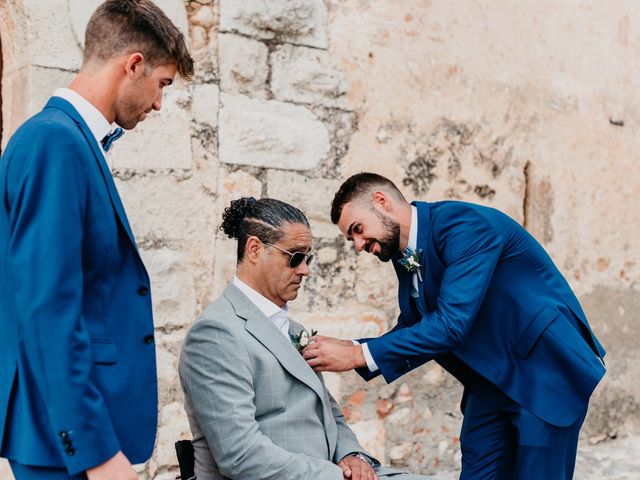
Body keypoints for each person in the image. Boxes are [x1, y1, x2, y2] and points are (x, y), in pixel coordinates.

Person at [303, 172, 606, 479]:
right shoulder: (403, 254)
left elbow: (450, 325)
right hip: (490, 380)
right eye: (350, 238)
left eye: (357, 229)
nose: (357, 245)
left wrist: (359, 355)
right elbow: (417, 324)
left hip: (544, 370)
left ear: (381, 202)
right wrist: (351, 348)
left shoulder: (464, 225)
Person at [0, 1, 193, 479]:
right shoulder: (54, 143)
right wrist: (97, 454)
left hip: (71, 435)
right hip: (61, 443)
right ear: (133, 65)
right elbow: (47, 307)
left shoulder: (68, 141)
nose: (158, 104)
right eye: (162, 85)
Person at [179, 197, 433, 480]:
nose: (305, 270)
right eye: (295, 257)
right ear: (254, 249)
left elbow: (329, 414)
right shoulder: (215, 334)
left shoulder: (294, 329)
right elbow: (241, 455)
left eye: (308, 258)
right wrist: (337, 476)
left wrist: (353, 456)